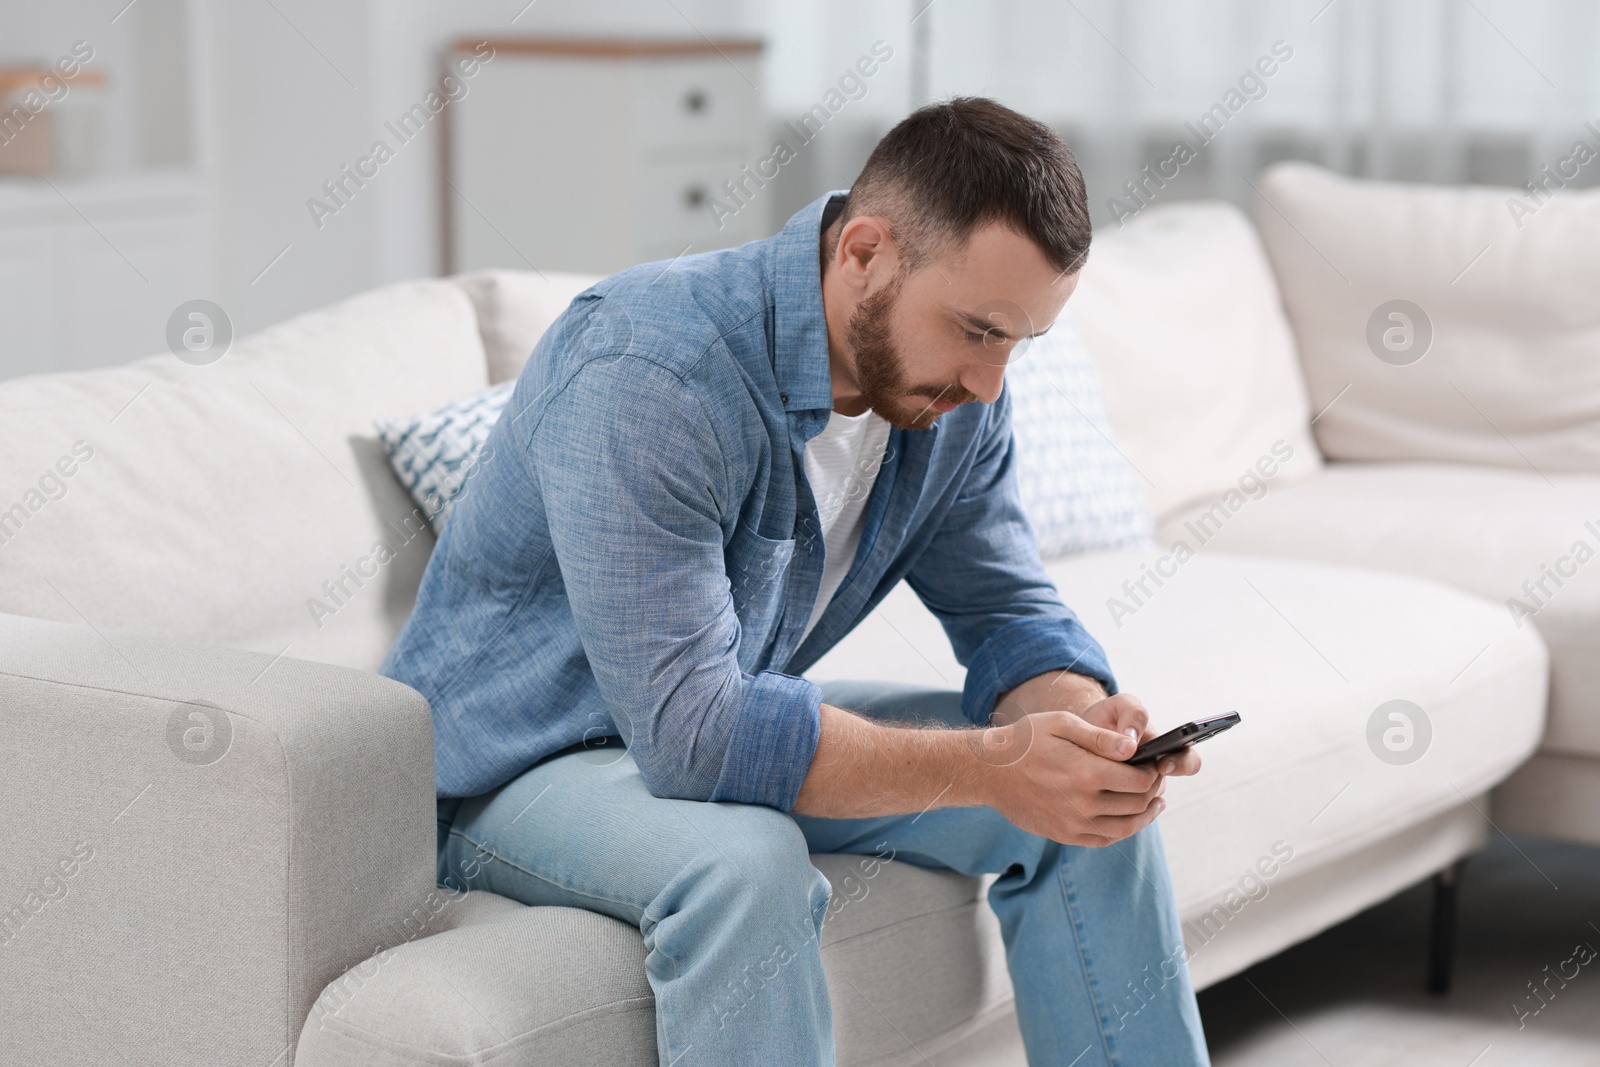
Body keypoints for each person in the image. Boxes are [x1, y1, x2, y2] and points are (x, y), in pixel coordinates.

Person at [380, 96, 1211, 1066]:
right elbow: (696, 737)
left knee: (1082, 807)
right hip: (508, 768)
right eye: (977, 329)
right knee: (748, 863)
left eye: (1016, 344)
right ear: (863, 253)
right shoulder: (649, 364)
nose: (989, 382)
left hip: (699, 720)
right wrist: (994, 761)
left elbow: (1005, 608)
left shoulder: (954, 398)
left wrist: (1083, 725)